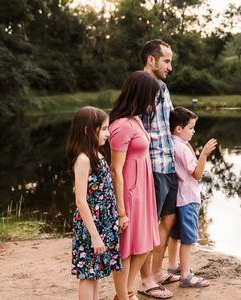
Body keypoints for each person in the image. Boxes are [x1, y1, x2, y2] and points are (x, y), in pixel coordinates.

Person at [108, 71, 170, 299]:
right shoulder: (122, 125)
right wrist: (121, 210)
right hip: (130, 192)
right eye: (152, 96)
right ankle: (123, 295)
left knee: (145, 243)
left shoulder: (135, 119)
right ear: (140, 94)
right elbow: (116, 169)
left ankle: (126, 290)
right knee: (126, 248)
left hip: (144, 190)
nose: (153, 101)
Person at [138, 39, 181, 292]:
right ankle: (145, 281)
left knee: (168, 219)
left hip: (169, 165)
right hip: (151, 166)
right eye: (166, 61)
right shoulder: (140, 86)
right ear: (151, 60)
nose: (170, 67)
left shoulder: (163, 87)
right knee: (147, 224)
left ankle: (156, 271)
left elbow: (170, 119)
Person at [67, 106, 121, 300]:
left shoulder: (97, 155)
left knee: (96, 273)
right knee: (88, 275)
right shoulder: (83, 159)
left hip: (102, 222)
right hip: (90, 225)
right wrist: (95, 236)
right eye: (104, 129)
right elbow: (81, 201)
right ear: (87, 130)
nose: (108, 133)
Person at [169, 106, 216, 288]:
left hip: (177, 198)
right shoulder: (182, 148)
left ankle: (174, 268)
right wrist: (204, 154)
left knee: (175, 236)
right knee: (188, 239)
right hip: (188, 198)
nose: (193, 131)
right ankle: (186, 275)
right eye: (190, 128)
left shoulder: (172, 143)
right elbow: (196, 174)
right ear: (179, 129)